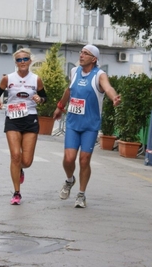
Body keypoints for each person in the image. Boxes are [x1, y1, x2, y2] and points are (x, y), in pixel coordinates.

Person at [53, 44, 121, 208]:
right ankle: (70, 180)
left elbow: (108, 88)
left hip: (90, 125)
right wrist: (60, 107)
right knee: (68, 159)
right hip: (73, 123)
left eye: (86, 53)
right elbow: (68, 90)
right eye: (81, 52)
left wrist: (114, 98)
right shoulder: (74, 71)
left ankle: (81, 194)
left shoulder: (99, 75)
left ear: (94, 59)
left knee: (84, 160)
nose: (81, 55)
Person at [0, 48, 47, 205]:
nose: (22, 62)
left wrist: (40, 99)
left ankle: (20, 169)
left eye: (25, 59)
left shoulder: (36, 79)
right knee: (15, 156)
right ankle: (17, 193)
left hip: (30, 118)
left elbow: (45, 97)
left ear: (30, 61)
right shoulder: (7, 78)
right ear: (15, 63)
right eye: (19, 60)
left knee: (26, 161)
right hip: (13, 118)